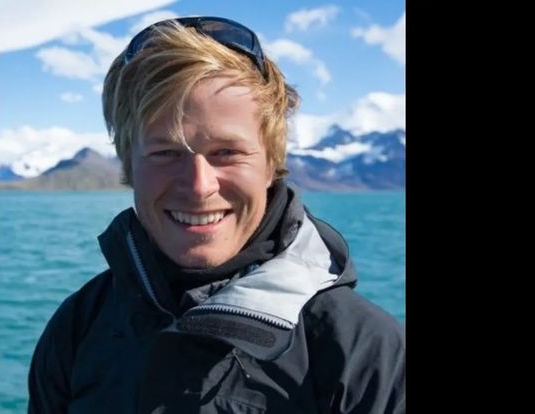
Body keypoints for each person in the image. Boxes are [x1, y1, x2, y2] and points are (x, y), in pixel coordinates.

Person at [28, 16, 405, 413]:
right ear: (128, 165)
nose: (198, 185)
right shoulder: (80, 325)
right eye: (164, 153)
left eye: (227, 152)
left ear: (272, 163)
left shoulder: (362, 352)